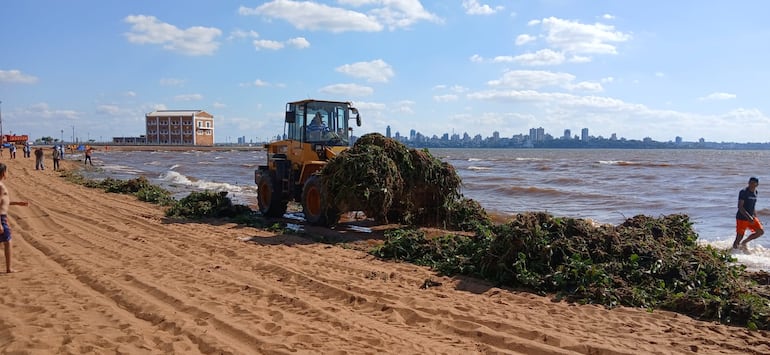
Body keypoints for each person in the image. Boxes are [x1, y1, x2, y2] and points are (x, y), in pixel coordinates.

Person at [0, 162, 30, 273]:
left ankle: (9, 268)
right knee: (8, 242)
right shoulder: (1, 186)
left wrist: (17, 203)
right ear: (3, 173)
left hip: (2, 217)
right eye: (7, 171)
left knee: (7, 241)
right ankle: (9, 268)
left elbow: (4, 202)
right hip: (1, 217)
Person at [733, 177, 764, 250]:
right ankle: (733, 252)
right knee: (739, 237)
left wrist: (756, 218)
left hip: (751, 217)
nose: (751, 184)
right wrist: (748, 217)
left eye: (753, 183)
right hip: (742, 217)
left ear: (757, 184)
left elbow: (753, 206)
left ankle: (744, 242)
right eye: (750, 182)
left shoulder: (756, 192)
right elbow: (740, 206)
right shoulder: (743, 192)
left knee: (760, 231)